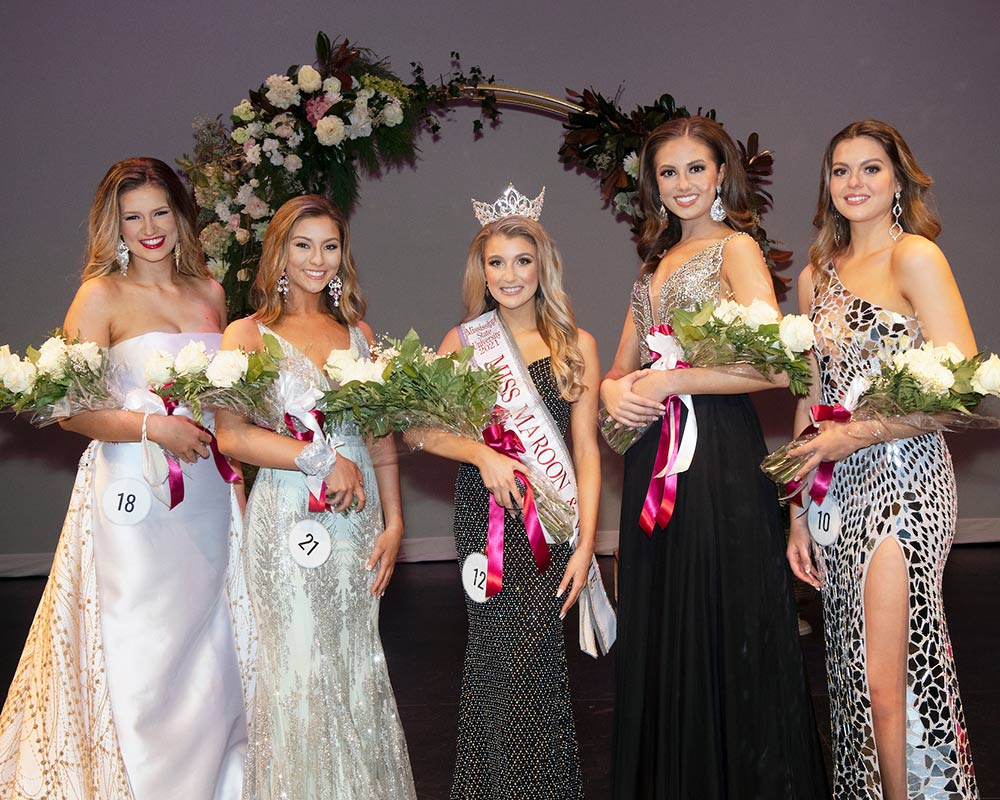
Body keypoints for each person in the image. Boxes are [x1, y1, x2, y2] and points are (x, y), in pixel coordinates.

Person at [0, 157, 250, 799]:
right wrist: (153, 429)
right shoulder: (99, 296)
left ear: (180, 215)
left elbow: (225, 406)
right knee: (144, 641)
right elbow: (69, 412)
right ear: (114, 225)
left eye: (160, 211)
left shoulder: (210, 293)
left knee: (208, 641)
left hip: (207, 494)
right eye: (132, 216)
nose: (149, 228)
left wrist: (237, 479)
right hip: (132, 497)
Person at [601, 117, 829, 799]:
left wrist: (672, 380)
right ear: (653, 186)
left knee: (725, 622)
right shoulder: (652, 266)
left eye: (695, 169)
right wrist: (616, 391)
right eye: (668, 173)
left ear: (721, 175)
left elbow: (777, 367)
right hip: (653, 462)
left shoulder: (736, 251)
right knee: (668, 623)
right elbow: (618, 369)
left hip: (720, 457)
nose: (682, 184)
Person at [786, 120, 978, 799]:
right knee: (850, 673)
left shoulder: (915, 258)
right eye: (841, 170)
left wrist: (859, 436)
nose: (855, 183)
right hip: (835, 491)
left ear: (898, 178)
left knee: (885, 679)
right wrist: (798, 514)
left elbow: (961, 391)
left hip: (905, 480)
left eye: (871, 168)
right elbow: (812, 402)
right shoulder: (815, 278)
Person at [214, 195, 415, 800]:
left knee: (356, 659)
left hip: (358, 524)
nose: (317, 259)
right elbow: (231, 434)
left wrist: (397, 520)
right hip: (285, 513)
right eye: (303, 245)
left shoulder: (358, 333)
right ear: (278, 251)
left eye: (330, 246)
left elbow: (380, 436)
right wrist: (319, 458)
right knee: (298, 666)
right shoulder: (247, 334)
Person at [407, 187, 603, 800]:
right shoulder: (465, 341)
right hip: (485, 518)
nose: (510, 274)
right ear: (481, 270)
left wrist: (587, 544)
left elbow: (587, 455)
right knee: (495, 661)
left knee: (539, 665)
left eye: (523, 260)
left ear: (542, 267)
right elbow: (418, 429)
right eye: (497, 262)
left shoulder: (578, 345)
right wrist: (481, 453)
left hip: (553, 522)